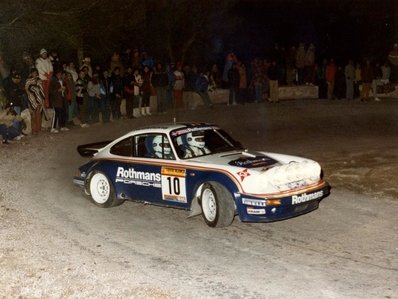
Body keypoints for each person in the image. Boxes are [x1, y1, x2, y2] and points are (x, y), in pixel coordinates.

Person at [25, 68, 45, 134]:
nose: (34, 74)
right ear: (31, 73)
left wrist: (42, 98)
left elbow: (41, 90)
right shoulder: (28, 80)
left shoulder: (39, 80)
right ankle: (33, 129)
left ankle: (38, 128)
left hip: (38, 99)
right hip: (31, 100)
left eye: (36, 73)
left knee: (38, 114)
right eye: (33, 73)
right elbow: (27, 89)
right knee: (33, 115)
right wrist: (32, 95)